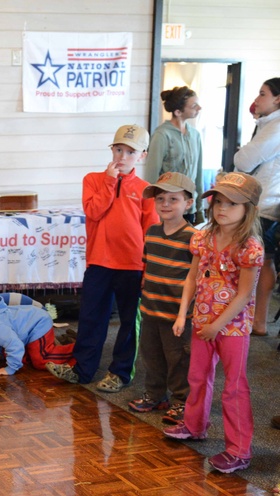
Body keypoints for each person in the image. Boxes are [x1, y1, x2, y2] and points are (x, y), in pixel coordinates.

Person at [163, 172, 264, 474]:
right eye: (218, 202)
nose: (222, 209)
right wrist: (183, 314)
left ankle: (239, 450)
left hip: (232, 327)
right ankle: (195, 426)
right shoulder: (203, 238)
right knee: (198, 376)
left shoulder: (250, 247)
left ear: (249, 209)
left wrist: (218, 326)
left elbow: (245, 293)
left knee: (234, 387)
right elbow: (192, 278)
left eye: (232, 204)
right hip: (202, 322)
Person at [48, 124, 159, 391]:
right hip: (99, 262)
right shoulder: (93, 180)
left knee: (129, 323)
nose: (122, 157)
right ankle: (82, 369)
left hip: (132, 266)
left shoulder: (147, 191)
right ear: (112, 150)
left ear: (142, 156)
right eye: (118, 149)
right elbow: (94, 212)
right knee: (90, 318)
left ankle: (120, 373)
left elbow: (151, 231)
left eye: (130, 152)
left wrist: (148, 268)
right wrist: (110, 182)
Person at [128, 172, 198, 425]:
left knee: (178, 359)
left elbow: (196, 278)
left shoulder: (193, 238)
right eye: (160, 199)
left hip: (177, 314)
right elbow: (147, 267)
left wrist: (185, 311)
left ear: (188, 203)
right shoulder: (152, 232)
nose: (166, 204)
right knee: (151, 355)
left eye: (173, 199)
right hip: (151, 309)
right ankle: (156, 394)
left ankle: (181, 401)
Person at [233, 77, 280, 337]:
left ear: (278, 99)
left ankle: (258, 320)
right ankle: (254, 318)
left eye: (263, 94)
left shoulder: (277, 126)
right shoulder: (268, 124)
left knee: (260, 261)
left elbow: (245, 159)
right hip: (263, 201)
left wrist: (242, 152)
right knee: (260, 260)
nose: (257, 99)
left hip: (265, 204)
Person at [144, 86, 204, 224]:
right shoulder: (162, 135)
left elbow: (198, 175)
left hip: (189, 208)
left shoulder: (195, 135)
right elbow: (151, 177)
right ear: (178, 112)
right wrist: (151, 212)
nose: (199, 108)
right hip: (167, 209)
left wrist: (199, 208)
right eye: (194, 105)